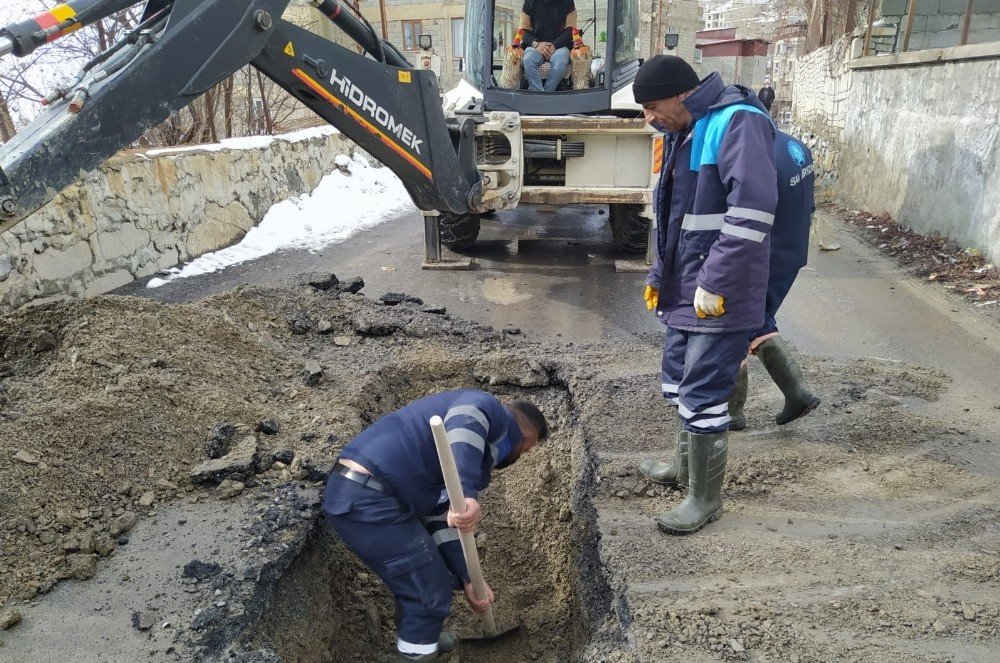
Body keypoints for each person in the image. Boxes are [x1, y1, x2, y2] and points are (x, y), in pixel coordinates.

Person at [634, 56, 777, 535]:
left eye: (652, 107)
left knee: (703, 392)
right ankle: (683, 469)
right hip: (686, 285)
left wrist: (715, 280)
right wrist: (660, 274)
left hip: (721, 290)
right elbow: (676, 216)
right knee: (678, 381)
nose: (649, 118)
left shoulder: (737, 122)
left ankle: (704, 498)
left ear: (681, 94)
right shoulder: (686, 128)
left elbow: (752, 211)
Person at [322, 390, 548, 662]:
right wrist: (467, 492)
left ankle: (421, 639)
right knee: (429, 590)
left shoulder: (450, 460)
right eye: (526, 450)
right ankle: (417, 652)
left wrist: (467, 577)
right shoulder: (490, 410)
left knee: (431, 574)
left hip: (373, 496)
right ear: (526, 438)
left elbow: (438, 516)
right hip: (368, 498)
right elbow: (467, 417)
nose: (521, 455)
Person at [729, 129, 820, 429]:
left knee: (733, 325)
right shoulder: (796, 146)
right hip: (791, 253)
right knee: (758, 320)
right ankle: (796, 393)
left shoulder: (756, 154)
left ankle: (731, 413)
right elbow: (809, 205)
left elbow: (747, 214)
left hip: (763, 258)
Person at [513, 0, 577, 92]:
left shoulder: (568, 2)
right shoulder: (529, 2)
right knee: (528, 60)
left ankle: (545, 94)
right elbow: (522, 31)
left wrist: (554, 45)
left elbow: (571, 30)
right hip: (535, 46)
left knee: (560, 63)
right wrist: (536, 44)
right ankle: (540, 94)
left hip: (559, 46)